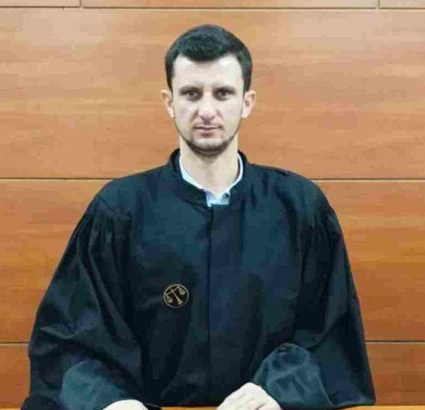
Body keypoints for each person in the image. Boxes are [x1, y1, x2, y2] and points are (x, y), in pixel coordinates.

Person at [21, 24, 376, 410]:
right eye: (191, 93)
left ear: (247, 102)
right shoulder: (118, 212)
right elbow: (69, 343)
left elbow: (330, 335)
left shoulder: (300, 209)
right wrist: (111, 402)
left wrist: (281, 390)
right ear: (169, 102)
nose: (207, 111)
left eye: (223, 93)